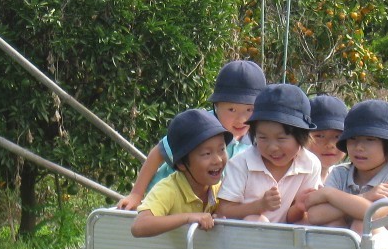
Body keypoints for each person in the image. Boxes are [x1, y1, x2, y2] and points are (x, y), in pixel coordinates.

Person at [117, 60, 266, 210]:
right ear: (216, 105)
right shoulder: (198, 125)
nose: (241, 119)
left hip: (203, 208)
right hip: (166, 203)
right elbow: (158, 153)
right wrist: (136, 194)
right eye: (231, 110)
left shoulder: (257, 139)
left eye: (249, 110)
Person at [217, 84, 322, 223]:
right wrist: (259, 206)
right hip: (243, 240)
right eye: (263, 138)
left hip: (285, 239)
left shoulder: (310, 164)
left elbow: (292, 219)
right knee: (255, 219)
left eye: (281, 138)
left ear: (301, 136)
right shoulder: (241, 163)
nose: (272, 147)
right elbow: (224, 210)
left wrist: (298, 207)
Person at [303, 99, 388, 229]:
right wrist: (366, 197)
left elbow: (373, 213)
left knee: (361, 224)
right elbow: (315, 215)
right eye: (353, 139)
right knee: (332, 223)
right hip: (348, 245)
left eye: (370, 139)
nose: (359, 147)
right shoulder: (340, 173)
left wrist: (329, 195)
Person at [131, 109, 232, 238]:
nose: (218, 159)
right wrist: (188, 218)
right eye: (207, 154)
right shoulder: (169, 189)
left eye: (222, 149)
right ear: (181, 164)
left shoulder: (222, 188)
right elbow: (139, 226)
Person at [308, 94, 349, 179]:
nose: (330, 144)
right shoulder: (293, 176)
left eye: (337, 136)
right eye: (319, 136)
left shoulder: (344, 178)